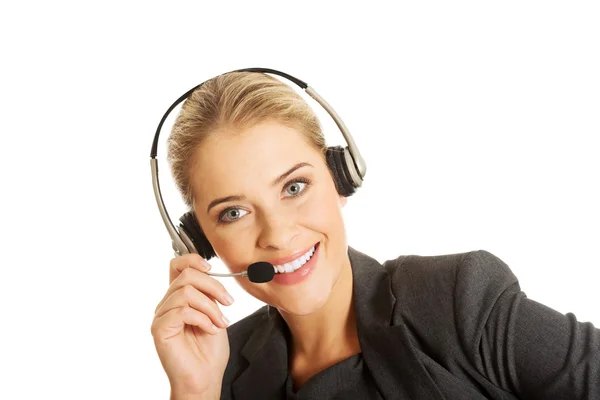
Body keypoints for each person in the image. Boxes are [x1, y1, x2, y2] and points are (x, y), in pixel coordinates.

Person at [150, 71, 600, 400]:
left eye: (294, 187)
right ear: (200, 242)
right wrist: (193, 392)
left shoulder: (456, 300)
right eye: (234, 212)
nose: (279, 234)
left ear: (340, 179)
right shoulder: (219, 369)